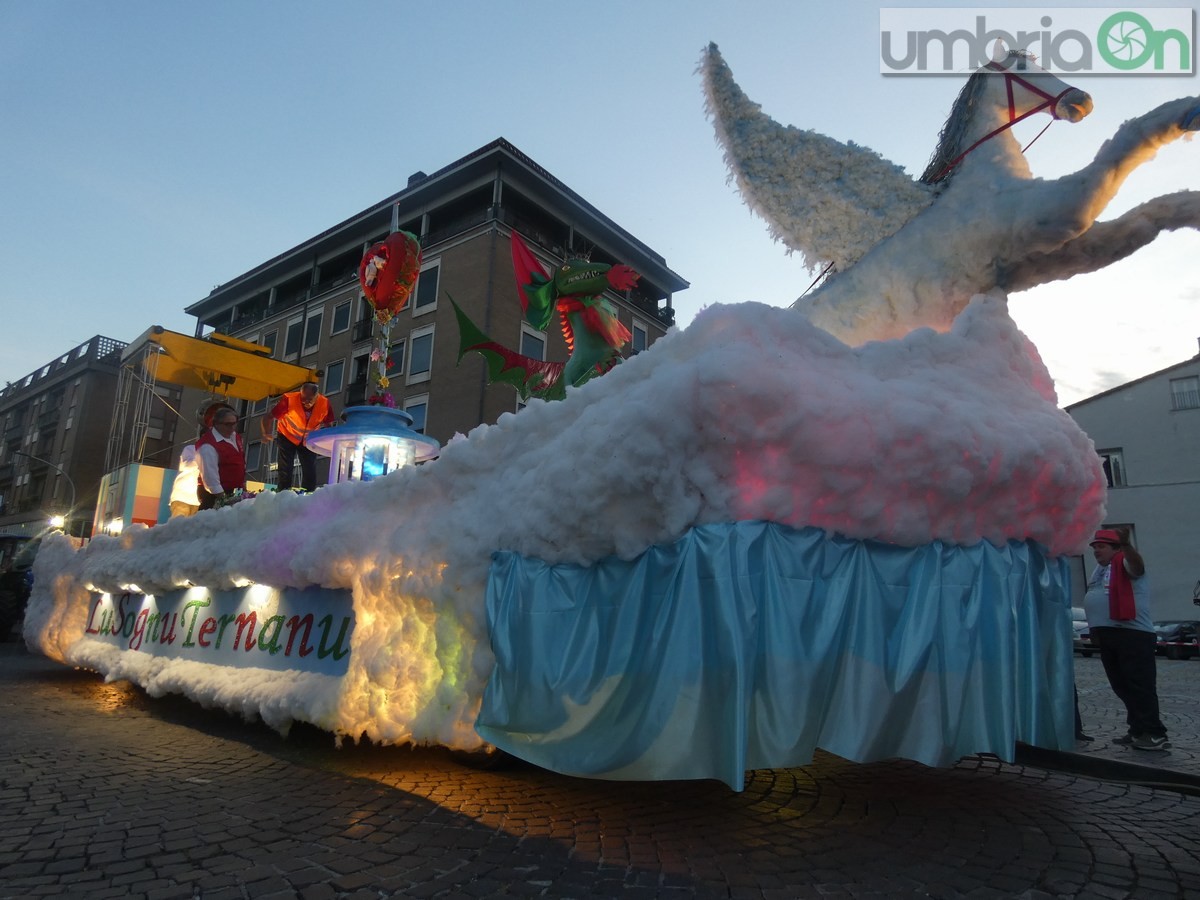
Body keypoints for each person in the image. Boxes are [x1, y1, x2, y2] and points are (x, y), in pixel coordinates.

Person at [1082, 527, 1169, 751]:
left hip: (1132, 634)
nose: (1096, 551)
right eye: (1094, 547)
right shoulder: (1099, 570)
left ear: (1117, 548)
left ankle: (1154, 732)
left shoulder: (1125, 562)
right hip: (1109, 634)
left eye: (1101, 546)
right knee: (1121, 685)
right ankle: (1137, 729)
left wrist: (1127, 545)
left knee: (1140, 685)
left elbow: (1137, 567)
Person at [262, 382, 336, 492]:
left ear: (316, 396)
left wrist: (329, 442)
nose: (305, 402)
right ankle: (284, 493)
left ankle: (308, 493)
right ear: (300, 393)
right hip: (287, 435)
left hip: (308, 440)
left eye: (309, 400)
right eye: (303, 398)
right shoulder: (289, 399)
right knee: (286, 468)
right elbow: (268, 417)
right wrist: (266, 433)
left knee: (310, 468)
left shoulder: (324, 403)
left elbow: (329, 425)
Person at [195, 407, 246, 510]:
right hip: (215, 494)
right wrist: (223, 499)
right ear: (216, 424)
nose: (232, 428)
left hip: (232, 490)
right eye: (228, 424)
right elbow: (210, 477)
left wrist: (243, 485)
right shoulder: (208, 446)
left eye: (234, 423)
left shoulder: (235, 437)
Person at [168, 443, 201, 518]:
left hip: (195, 500)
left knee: (190, 528)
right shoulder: (191, 449)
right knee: (178, 526)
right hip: (182, 498)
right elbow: (187, 465)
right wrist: (203, 458)